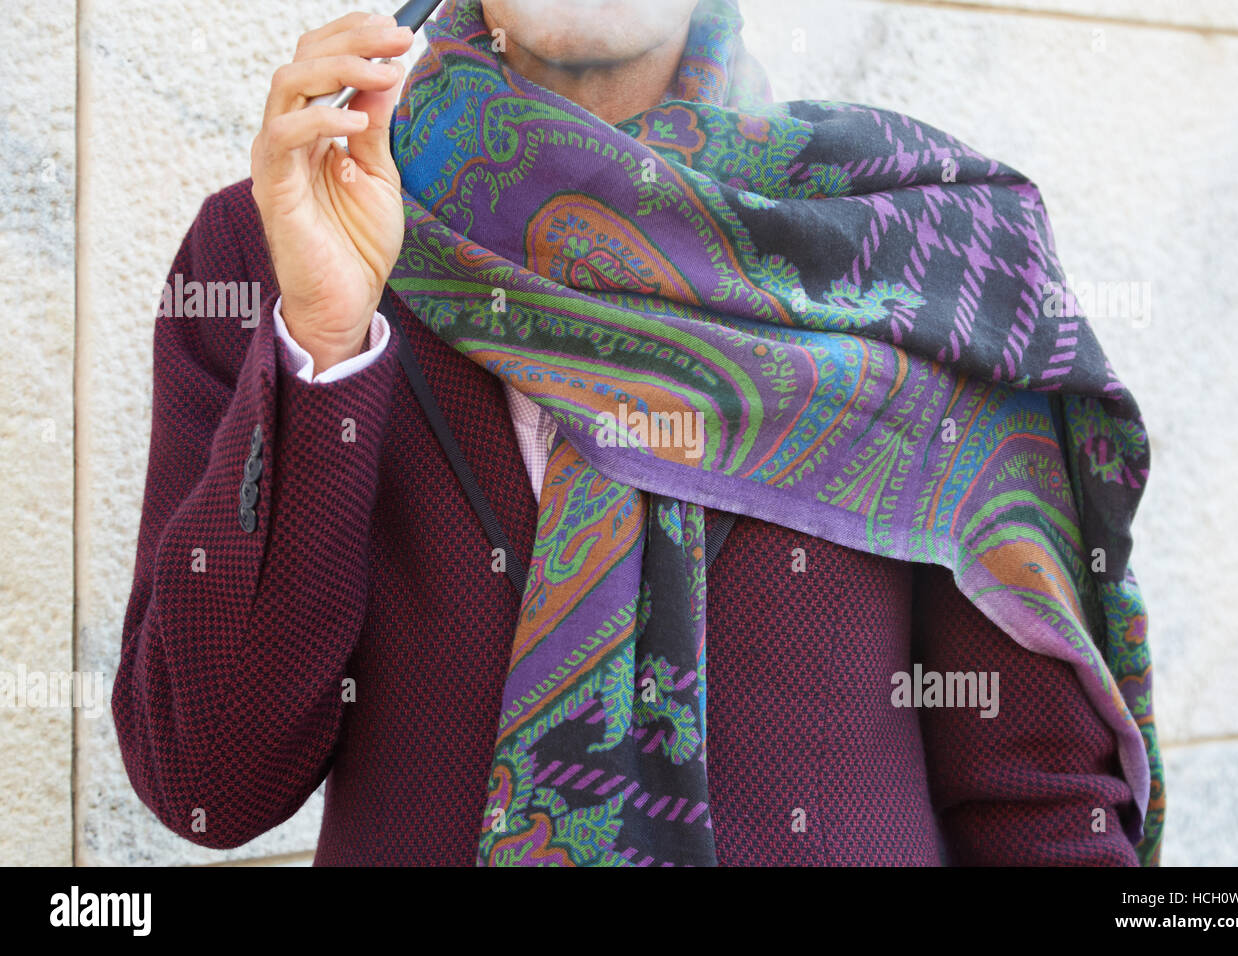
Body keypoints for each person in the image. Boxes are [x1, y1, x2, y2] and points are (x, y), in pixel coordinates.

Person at [112, 0, 1161, 866]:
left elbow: (1041, 799)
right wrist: (324, 346)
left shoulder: (909, 255)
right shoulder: (284, 241)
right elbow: (208, 780)